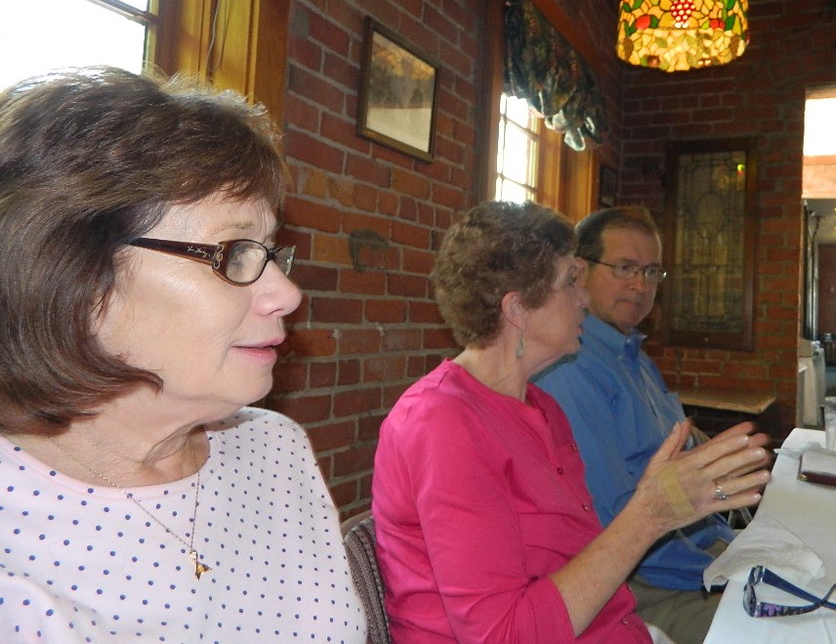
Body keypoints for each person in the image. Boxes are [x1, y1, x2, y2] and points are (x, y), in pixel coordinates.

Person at [0, 67, 367, 642]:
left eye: (270, 252)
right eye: (233, 253)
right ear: (73, 277)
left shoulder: (274, 450)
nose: (288, 294)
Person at [372, 200, 770, 644]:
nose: (583, 297)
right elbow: (503, 635)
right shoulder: (441, 424)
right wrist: (650, 513)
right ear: (517, 309)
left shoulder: (541, 407)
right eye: (570, 281)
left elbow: (579, 564)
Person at [534, 206, 769, 644]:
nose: (640, 285)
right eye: (625, 268)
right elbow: (615, 521)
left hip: (695, 549)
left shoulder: (636, 358)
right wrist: (720, 568)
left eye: (651, 272)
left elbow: (678, 455)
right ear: (580, 271)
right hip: (644, 583)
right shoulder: (569, 367)